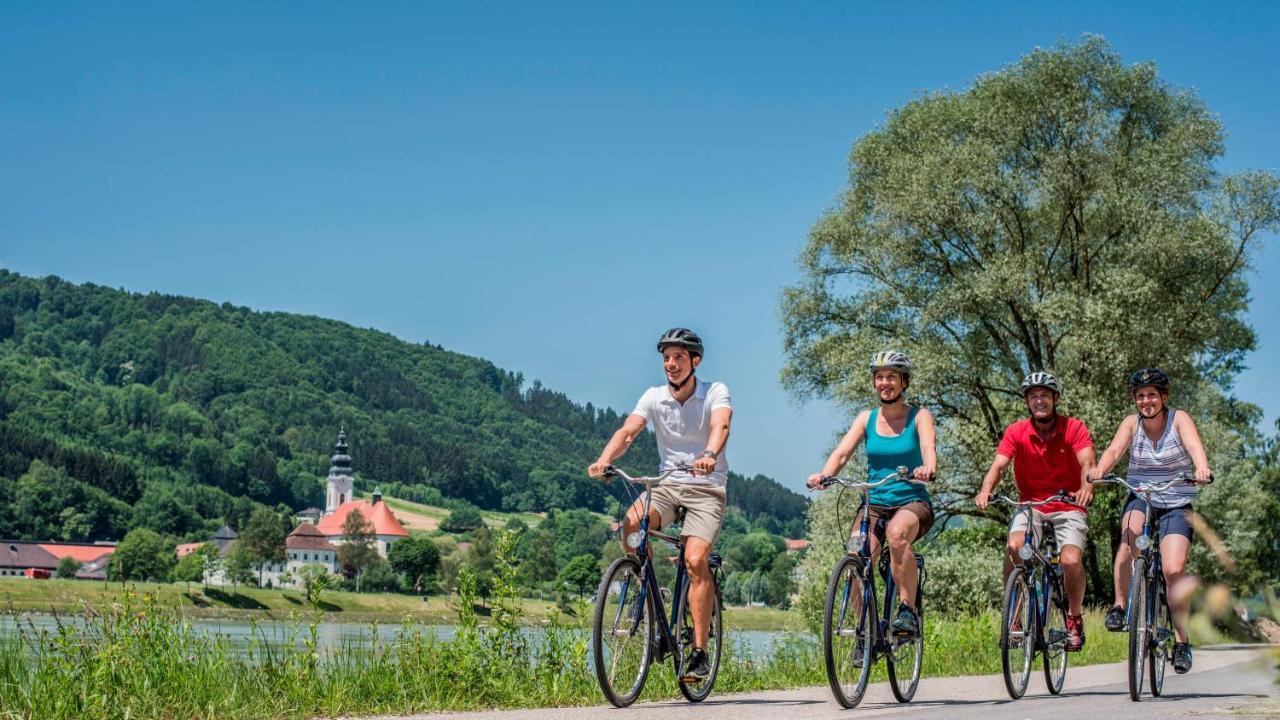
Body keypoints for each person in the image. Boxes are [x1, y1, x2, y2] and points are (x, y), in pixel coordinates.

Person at [587, 328, 732, 681]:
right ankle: (646, 587)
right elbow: (628, 431)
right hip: (667, 485)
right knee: (631, 524)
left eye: (679, 357)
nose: (671, 363)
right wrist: (605, 458)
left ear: (695, 361)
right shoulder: (653, 397)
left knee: (695, 559)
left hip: (706, 487)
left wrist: (710, 454)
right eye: (666, 357)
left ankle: (698, 652)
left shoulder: (715, 390)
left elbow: (721, 424)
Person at [1089, 367, 1212, 674]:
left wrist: (1201, 469)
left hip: (1176, 500)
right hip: (1141, 496)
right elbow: (1115, 450)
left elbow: (1195, 446)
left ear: (1163, 397)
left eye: (1152, 395)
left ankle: (1182, 642)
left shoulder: (1178, 419)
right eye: (1141, 396)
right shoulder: (1131, 424)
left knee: (1173, 570)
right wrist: (1100, 471)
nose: (1146, 401)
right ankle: (1119, 606)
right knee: (1128, 540)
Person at [806, 350, 937, 637]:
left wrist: (928, 467)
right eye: (879, 377)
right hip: (875, 502)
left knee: (897, 533)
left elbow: (928, 447)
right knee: (855, 556)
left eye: (891, 376)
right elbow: (842, 453)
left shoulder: (919, 416)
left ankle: (907, 611)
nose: (884, 382)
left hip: (913, 501)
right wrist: (824, 475)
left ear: (904, 382)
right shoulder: (867, 418)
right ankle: (866, 630)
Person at [975, 371, 1095, 651]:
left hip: (1068, 504)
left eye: (1044, 395)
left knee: (1070, 560)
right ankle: (1014, 619)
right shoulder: (1017, 431)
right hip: (1030, 504)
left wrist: (1086, 486)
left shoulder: (1074, 427)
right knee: (1015, 546)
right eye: (1033, 396)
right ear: (1027, 402)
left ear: (1055, 399)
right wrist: (985, 490)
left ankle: (1074, 617)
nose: (1039, 401)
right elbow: (999, 465)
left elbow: (1087, 460)